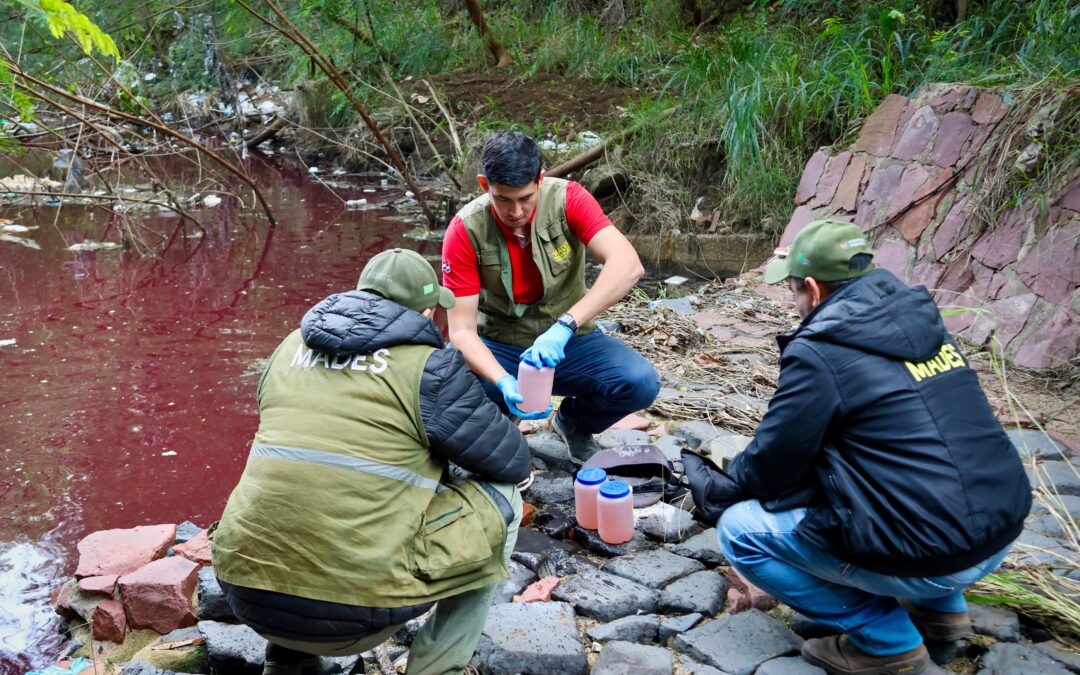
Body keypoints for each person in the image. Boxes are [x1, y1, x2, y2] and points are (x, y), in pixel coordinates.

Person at [683, 220, 1032, 675]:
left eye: (794, 291)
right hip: (1001, 528)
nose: (795, 303)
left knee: (740, 531)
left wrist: (720, 489)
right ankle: (943, 613)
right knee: (924, 472)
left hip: (937, 553)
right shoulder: (921, 323)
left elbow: (774, 460)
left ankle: (888, 643)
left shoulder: (821, 350)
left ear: (813, 288)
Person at [211, 248, 532, 675]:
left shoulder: (288, 346)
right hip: (358, 617)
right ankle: (437, 668)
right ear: (426, 310)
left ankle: (288, 663)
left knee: (298, 472)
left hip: (244, 594)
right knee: (505, 496)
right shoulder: (428, 367)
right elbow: (511, 461)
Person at [441, 130, 660, 463]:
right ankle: (502, 419)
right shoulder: (464, 229)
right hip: (500, 346)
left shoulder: (569, 199)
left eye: (525, 198)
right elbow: (461, 332)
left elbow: (627, 264)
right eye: (503, 199)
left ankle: (573, 423)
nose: (516, 211)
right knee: (447, 389)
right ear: (485, 186)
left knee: (639, 382)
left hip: (569, 342)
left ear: (540, 180)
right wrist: (501, 379)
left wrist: (564, 327)